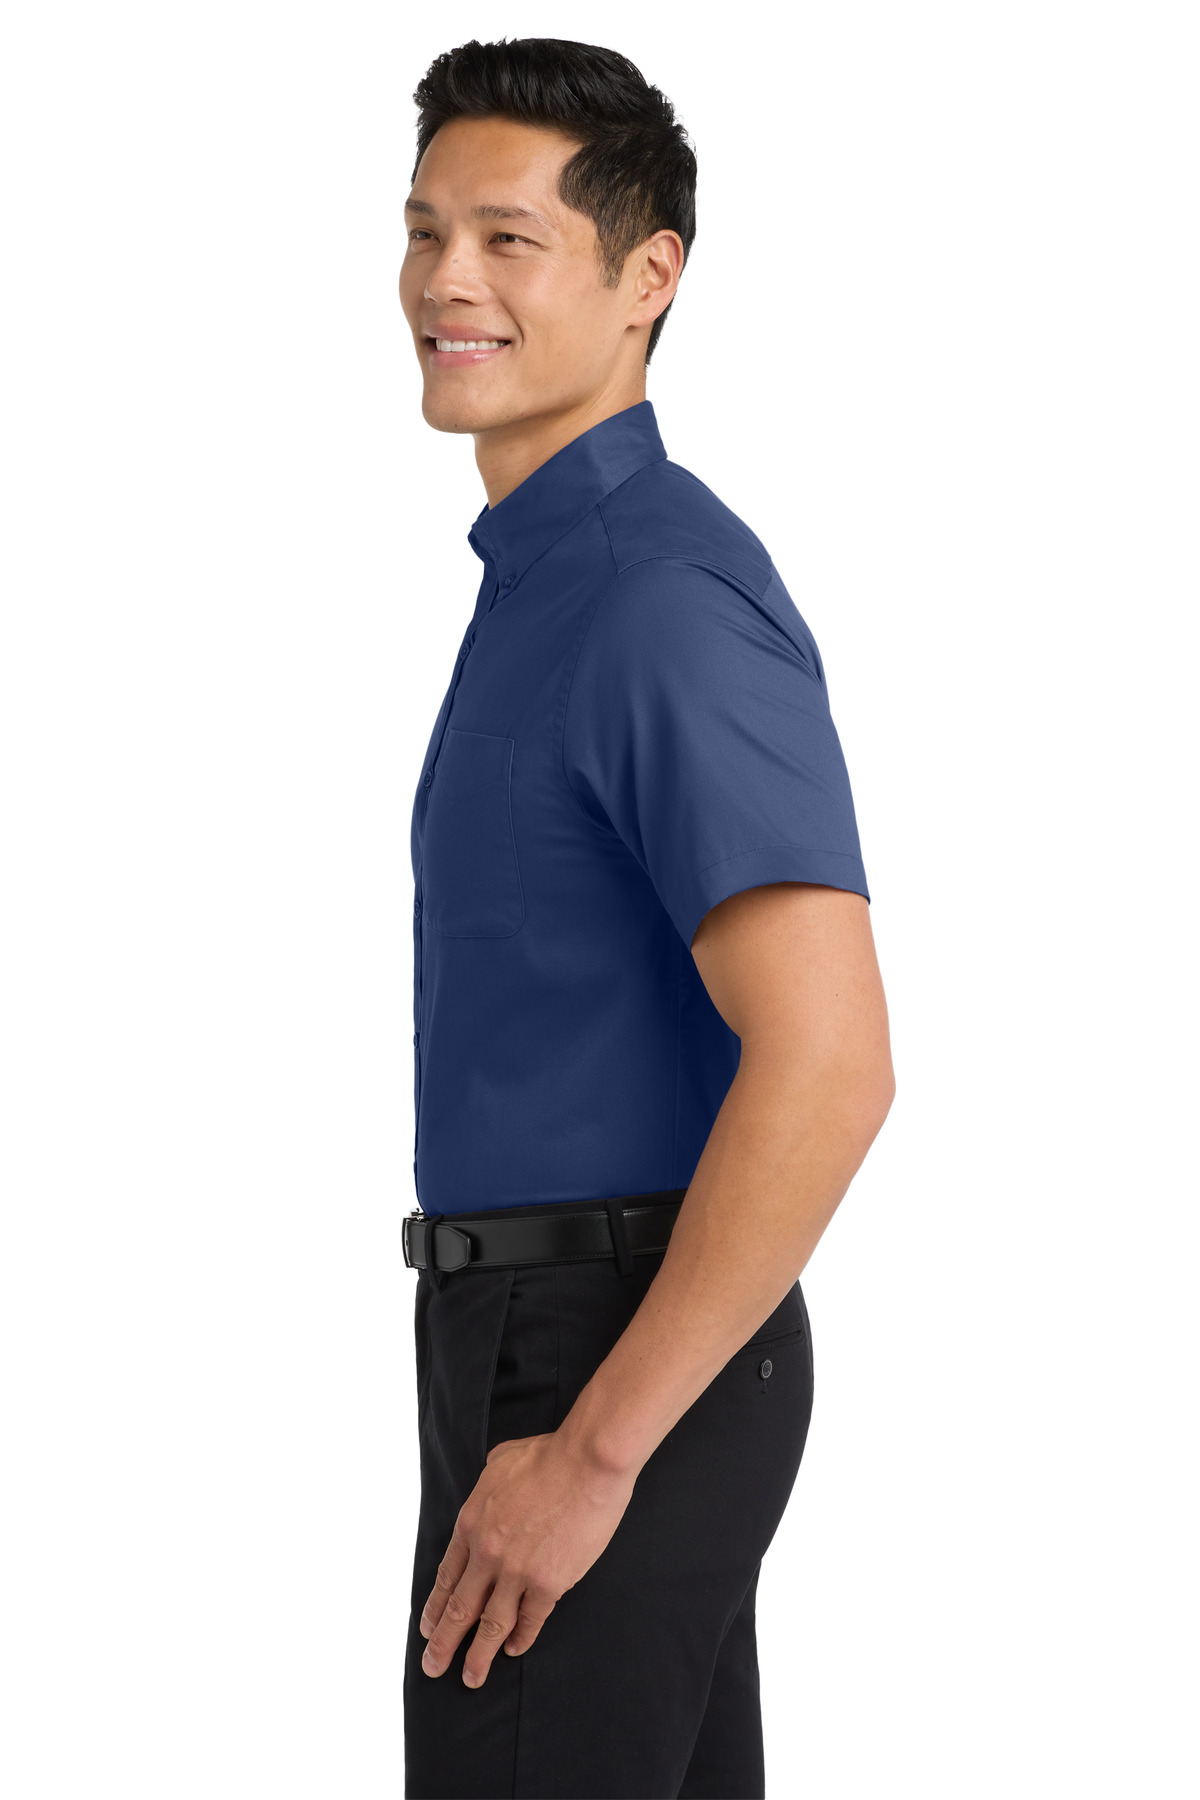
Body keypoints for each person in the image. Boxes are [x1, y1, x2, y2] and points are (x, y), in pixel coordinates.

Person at [397, 37, 894, 1800]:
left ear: (647, 276)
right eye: (425, 230)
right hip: (564, 1335)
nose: (446, 281)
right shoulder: (546, 582)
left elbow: (831, 1062)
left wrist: (593, 1449)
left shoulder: (655, 597)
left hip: (609, 1349)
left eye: (509, 240)